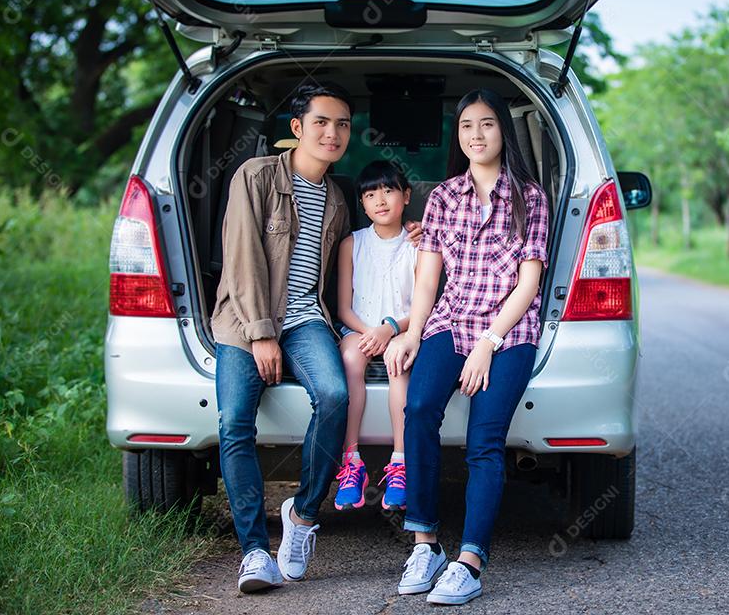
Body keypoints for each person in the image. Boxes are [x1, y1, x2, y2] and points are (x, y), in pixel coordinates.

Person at [209, 84, 421, 593]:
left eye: (343, 124)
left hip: (306, 319)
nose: (333, 133)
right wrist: (262, 335)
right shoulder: (255, 176)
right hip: (244, 321)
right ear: (297, 128)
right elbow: (242, 260)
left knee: (332, 395)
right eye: (322, 122)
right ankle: (255, 552)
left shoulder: (338, 197)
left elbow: (361, 260)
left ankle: (303, 517)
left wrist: (415, 237)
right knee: (235, 423)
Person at [384, 88, 550, 606]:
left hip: (509, 331)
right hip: (450, 321)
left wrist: (489, 344)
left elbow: (528, 285)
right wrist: (412, 332)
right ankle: (426, 542)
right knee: (418, 410)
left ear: (504, 130)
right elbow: (429, 274)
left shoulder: (531, 197)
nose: (476, 136)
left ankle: (470, 561)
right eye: (466, 127)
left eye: (486, 125)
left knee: (484, 439)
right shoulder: (443, 196)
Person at [333, 160, 419, 511]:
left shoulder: (419, 243)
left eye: (388, 190)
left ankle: (400, 462)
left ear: (406, 196)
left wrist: (390, 330)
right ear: (362, 203)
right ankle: (351, 462)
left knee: (397, 360)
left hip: (402, 329)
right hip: (359, 328)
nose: (380, 200)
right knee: (352, 357)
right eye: (370, 194)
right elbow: (343, 308)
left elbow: (424, 306)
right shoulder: (351, 244)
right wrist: (371, 333)